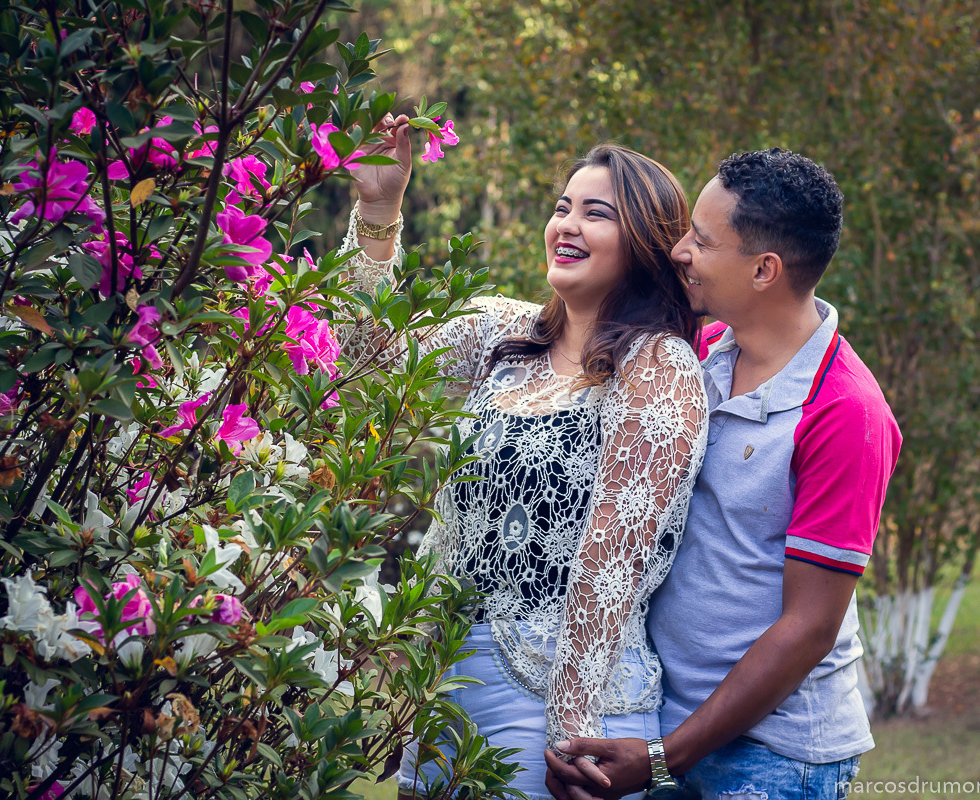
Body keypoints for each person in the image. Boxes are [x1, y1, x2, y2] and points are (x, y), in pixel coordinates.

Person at [339, 116, 708, 800]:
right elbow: (361, 367)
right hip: (443, 687)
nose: (566, 224)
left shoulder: (660, 368)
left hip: (562, 705)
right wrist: (378, 207)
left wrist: (570, 738)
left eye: (596, 214)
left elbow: (610, 568)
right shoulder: (497, 334)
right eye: (562, 207)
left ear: (645, 245)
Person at [544, 149, 902, 800]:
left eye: (701, 241)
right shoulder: (698, 355)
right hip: (665, 726)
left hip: (771, 758)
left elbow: (808, 630)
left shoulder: (847, 412)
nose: (679, 251)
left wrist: (661, 759)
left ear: (764, 270)